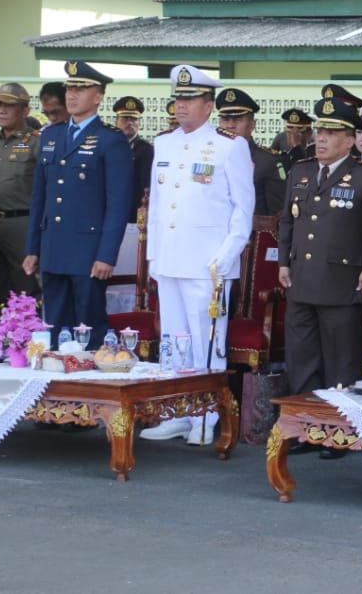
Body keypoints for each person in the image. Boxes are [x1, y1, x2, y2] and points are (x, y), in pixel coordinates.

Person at [140, 65, 254, 446]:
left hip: (208, 263)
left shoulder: (228, 146)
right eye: (178, 99)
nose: (182, 106)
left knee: (207, 340)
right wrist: (153, 256)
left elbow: (243, 209)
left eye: (190, 100)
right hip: (171, 258)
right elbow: (156, 206)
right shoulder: (164, 143)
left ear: (208, 105)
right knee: (174, 339)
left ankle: (206, 416)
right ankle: (176, 411)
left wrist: (226, 256)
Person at [278, 97, 362, 441]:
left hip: (343, 281)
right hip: (300, 278)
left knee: (340, 361)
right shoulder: (300, 171)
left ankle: (337, 433)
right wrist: (284, 260)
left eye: (332, 132)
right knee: (302, 357)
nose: (323, 138)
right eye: (320, 131)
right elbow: (287, 220)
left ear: (350, 140)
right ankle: (306, 428)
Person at [24, 62, 131, 347]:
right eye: (70, 88)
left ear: (98, 97)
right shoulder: (50, 135)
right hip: (53, 246)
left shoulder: (110, 140)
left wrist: (107, 255)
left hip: (88, 250)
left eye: (81, 90)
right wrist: (33, 248)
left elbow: (118, 203)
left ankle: (91, 386)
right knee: (55, 326)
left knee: (89, 325)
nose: (72, 95)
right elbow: (40, 197)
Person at [0, 83, 41, 304]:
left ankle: (30, 337)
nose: (1, 110)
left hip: (23, 222)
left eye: (9, 106)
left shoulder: (37, 142)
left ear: (25, 110)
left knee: (26, 284)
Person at [215, 88, 287, 216]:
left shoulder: (268, 161)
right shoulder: (209, 156)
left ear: (252, 125)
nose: (230, 125)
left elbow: (277, 214)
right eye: (225, 119)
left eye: (237, 120)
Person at [112, 96, 154, 220]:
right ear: (116, 122)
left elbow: (145, 186)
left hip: (133, 216)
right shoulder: (108, 147)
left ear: (139, 123)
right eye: (125, 118)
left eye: (134, 119)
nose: (129, 123)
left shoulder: (146, 150)